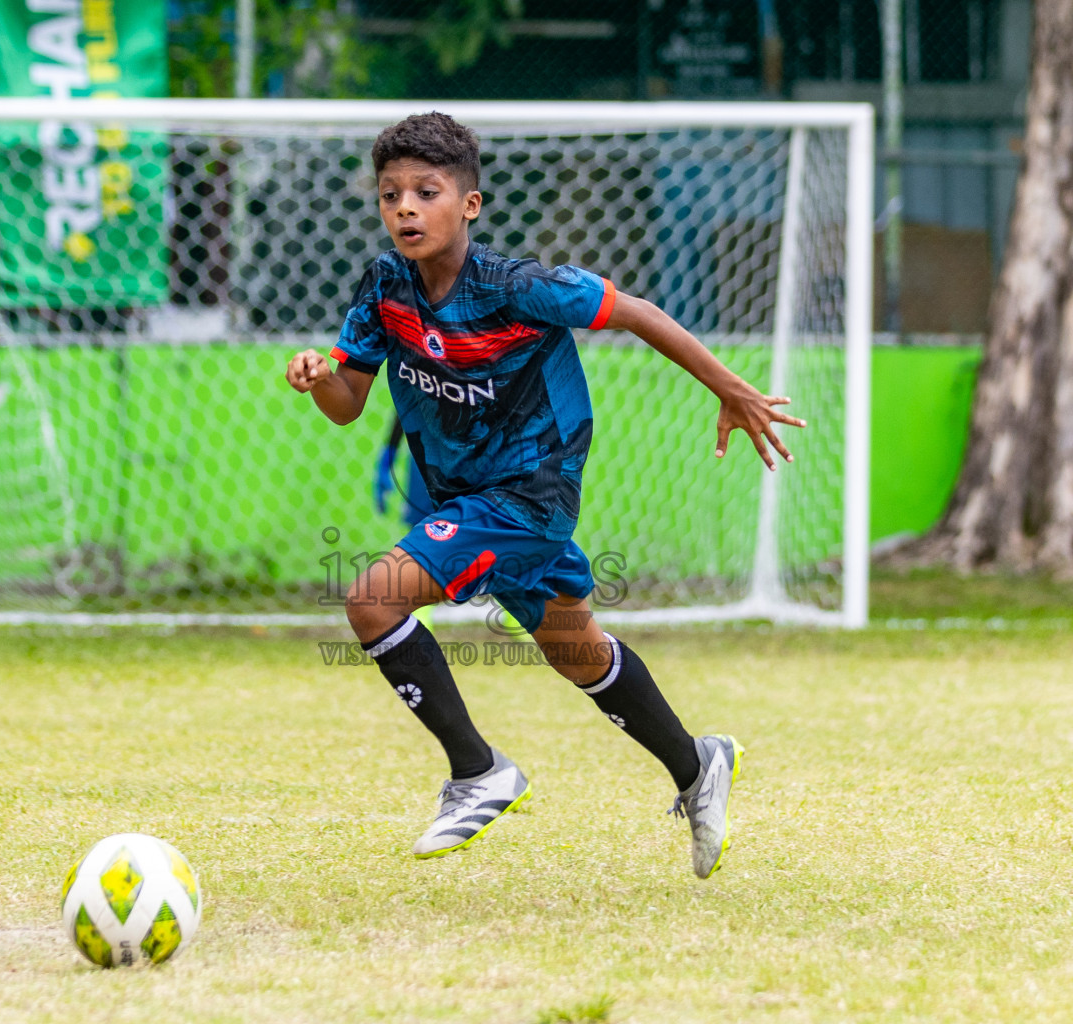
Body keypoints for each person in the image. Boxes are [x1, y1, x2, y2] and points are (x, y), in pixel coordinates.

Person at [285, 114, 803, 878]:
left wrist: (730, 389)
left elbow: (637, 313)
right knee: (573, 648)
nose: (404, 208)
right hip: (464, 498)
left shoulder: (518, 287)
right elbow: (348, 404)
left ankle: (477, 772)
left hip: (533, 492)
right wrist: (321, 377)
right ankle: (698, 766)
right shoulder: (385, 288)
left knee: (372, 600)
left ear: (469, 205)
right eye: (391, 194)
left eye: (426, 192)